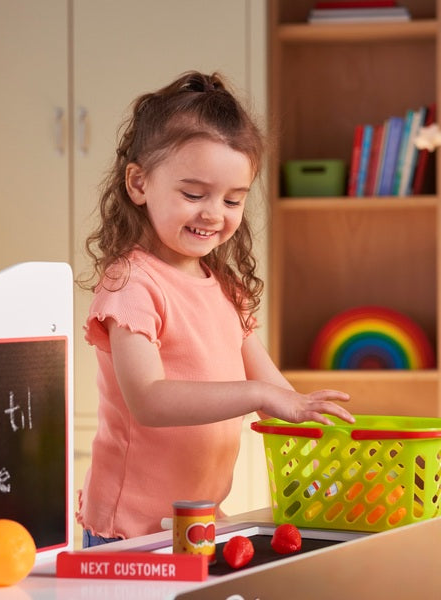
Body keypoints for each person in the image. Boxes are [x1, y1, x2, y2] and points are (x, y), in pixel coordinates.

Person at [76, 71, 353, 548]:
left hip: (198, 519)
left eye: (232, 200)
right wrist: (259, 397)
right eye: (193, 194)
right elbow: (149, 399)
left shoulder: (223, 286)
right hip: (130, 530)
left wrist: (319, 428)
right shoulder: (131, 284)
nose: (213, 213)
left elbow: (274, 389)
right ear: (139, 183)